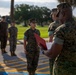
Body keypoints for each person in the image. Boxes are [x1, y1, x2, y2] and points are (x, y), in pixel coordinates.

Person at [44, 2, 76, 75]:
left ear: (63, 14)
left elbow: (53, 54)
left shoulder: (62, 29)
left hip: (64, 69)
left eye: (59, 15)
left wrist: (44, 51)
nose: (58, 17)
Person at [48, 8, 61, 75]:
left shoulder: (52, 25)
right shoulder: (64, 23)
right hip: (63, 51)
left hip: (54, 49)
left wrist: (48, 50)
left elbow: (50, 38)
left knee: (52, 68)